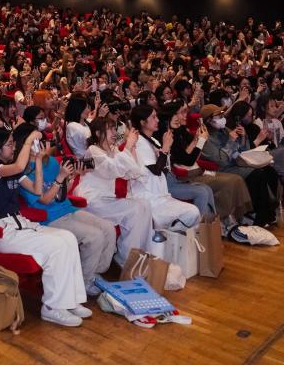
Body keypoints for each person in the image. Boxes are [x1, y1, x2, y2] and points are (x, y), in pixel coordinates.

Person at [0, 127, 91, 327]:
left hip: (21, 224)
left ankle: (70, 300)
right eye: (9, 144)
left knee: (67, 238)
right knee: (56, 246)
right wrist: (30, 139)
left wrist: (39, 161)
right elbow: (19, 165)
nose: (13, 148)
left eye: (14, 143)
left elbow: (37, 189)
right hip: (3, 231)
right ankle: (52, 307)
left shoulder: (13, 171)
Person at [19, 123, 116, 297]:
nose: (42, 144)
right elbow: (46, 199)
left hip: (67, 209)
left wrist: (73, 176)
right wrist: (61, 177)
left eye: (41, 140)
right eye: (36, 141)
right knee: (94, 237)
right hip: (48, 217)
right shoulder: (23, 172)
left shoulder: (49, 162)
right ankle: (84, 282)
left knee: (108, 228)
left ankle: (91, 273)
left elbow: (62, 194)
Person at [76, 118, 154, 267]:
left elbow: (132, 173)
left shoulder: (113, 150)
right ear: (99, 133)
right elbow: (111, 169)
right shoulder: (93, 150)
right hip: (91, 200)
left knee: (144, 204)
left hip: (106, 199)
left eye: (114, 129)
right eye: (110, 129)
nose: (114, 132)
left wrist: (132, 148)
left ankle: (139, 255)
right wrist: (128, 146)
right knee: (135, 209)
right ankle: (126, 258)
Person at [165, 101, 252, 227]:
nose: (185, 116)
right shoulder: (170, 135)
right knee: (229, 181)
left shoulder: (184, 131)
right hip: (187, 174)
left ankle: (230, 217)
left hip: (199, 169)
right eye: (182, 112)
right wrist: (200, 141)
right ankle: (216, 221)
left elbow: (191, 156)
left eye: (223, 115)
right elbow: (188, 159)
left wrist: (197, 140)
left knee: (240, 178)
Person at [201, 104, 281, 227]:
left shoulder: (226, 130)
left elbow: (243, 151)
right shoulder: (206, 138)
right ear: (208, 120)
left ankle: (269, 210)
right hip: (223, 169)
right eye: (219, 116)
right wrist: (230, 141)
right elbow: (220, 160)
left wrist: (243, 137)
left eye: (222, 115)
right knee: (257, 175)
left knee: (269, 171)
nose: (222, 118)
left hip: (237, 163)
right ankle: (261, 215)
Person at [128, 105, 201, 231]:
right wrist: (165, 148)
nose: (157, 120)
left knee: (193, 213)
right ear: (142, 122)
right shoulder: (138, 142)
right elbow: (156, 171)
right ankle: (168, 236)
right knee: (192, 212)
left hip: (161, 194)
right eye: (153, 117)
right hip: (148, 198)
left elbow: (164, 170)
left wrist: (165, 151)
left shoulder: (154, 141)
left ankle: (173, 238)